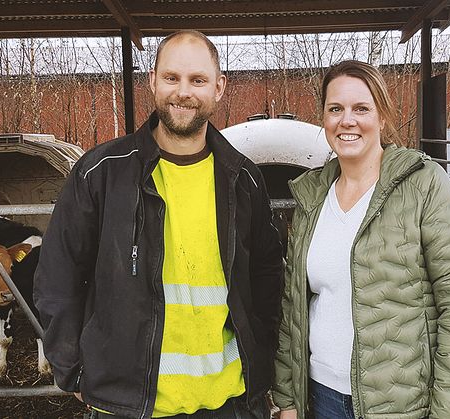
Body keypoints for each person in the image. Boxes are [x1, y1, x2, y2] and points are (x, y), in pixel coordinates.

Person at [34, 30, 284, 419]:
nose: (183, 92)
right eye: (172, 78)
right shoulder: (102, 173)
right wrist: (74, 370)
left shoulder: (243, 178)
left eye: (197, 80)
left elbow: (268, 281)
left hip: (228, 401)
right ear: (152, 80)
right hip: (127, 404)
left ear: (219, 88)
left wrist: (263, 364)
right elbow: (58, 276)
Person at [271, 60, 450, 419]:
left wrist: (449, 411)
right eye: (335, 109)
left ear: (382, 117)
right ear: (324, 118)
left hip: (400, 405)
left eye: (361, 108)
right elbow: (294, 307)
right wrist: (288, 399)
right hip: (322, 395)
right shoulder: (312, 197)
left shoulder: (424, 185)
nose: (347, 120)